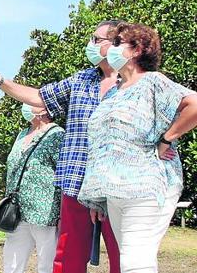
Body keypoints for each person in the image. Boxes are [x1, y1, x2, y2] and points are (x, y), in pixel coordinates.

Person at [0, 20, 125, 273]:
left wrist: (166, 142)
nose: (90, 44)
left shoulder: (137, 82)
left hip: (117, 183)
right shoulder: (82, 80)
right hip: (76, 181)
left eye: (97, 40)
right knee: (68, 257)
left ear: (117, 44)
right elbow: (39, 97)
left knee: (123, 255)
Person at [78, 22, 197, 273]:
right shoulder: (114, 92)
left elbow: (194, 104)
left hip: (145, 184)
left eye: (119, 43)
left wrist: (167, 138)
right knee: (130, 259)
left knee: (135, 260)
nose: (112, 48)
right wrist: (98, 198)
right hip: (114, 191)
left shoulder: (153, 81)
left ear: (137, 50)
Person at [2, 104, 64, 273]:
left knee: (47, 264)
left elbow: (63, 174)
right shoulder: (23, 134)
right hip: (17, 210)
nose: (25, 107)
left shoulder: (56, 135)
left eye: (31, 103)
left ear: (44, 109)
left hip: (45, 212)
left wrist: (62, 212)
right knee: (12, 263)